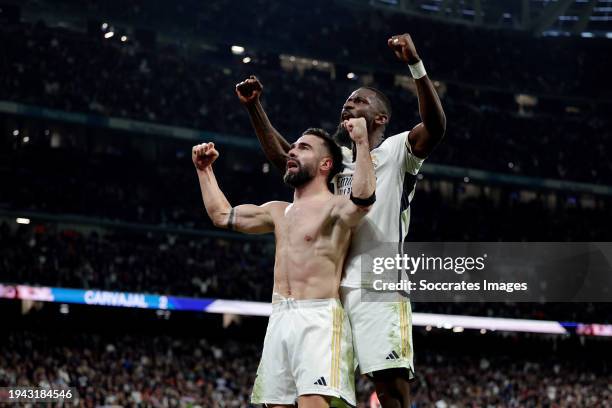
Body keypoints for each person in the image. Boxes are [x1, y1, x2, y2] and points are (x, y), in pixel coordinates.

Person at [235, 33, 446, 407]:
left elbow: (436, 126)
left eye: (358, 101)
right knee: (329, 392)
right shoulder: (337, 161)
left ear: (380, 117)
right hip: (331, 291)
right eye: (346, 102)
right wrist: (255, 108)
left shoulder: (399, 150)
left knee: (390, 389)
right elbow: (287, 157)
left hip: (378, 284)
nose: (347, 106)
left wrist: (416, 65)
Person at [192, 120, 376, 407]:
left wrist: (362, 144)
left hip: (319, 319)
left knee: (313, 403)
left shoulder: (336, 206)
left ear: (326, 164)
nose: (291, 152)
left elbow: (363, 200)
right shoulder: (277, 211)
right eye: (292, 147)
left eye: (303, 148)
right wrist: (204, 170)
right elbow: (222, 215)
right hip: (280, 317)